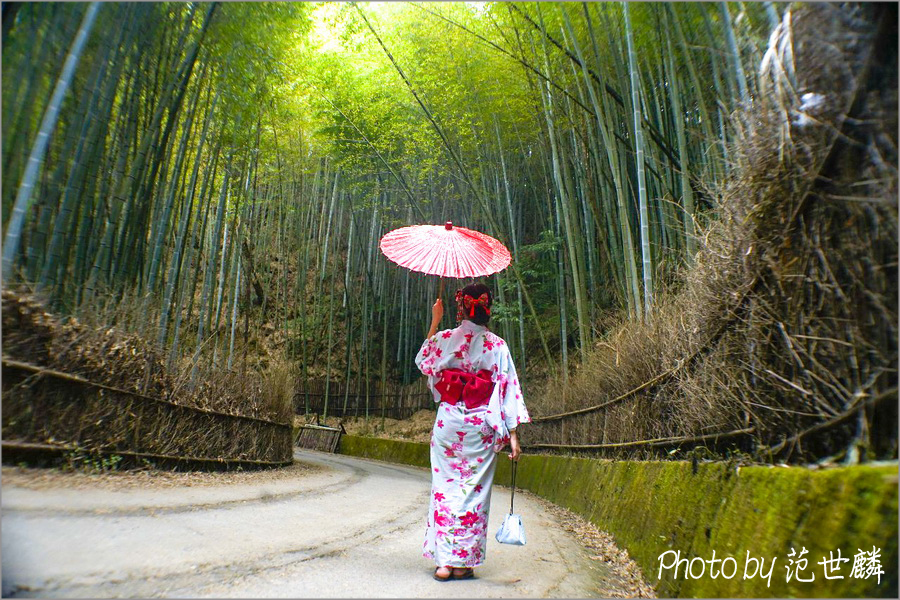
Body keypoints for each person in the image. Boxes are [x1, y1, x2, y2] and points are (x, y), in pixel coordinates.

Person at [414, 282, 530, 582]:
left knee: (444, 488)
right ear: (487, 308)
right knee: (473, 494)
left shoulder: (445, 338)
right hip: (481, 425)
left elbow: (424, 362)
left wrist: (435, 320)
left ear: (460, 307)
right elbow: (507, 388)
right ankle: (463, 562)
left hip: (449, 423)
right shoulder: (497, 345)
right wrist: (513, 435)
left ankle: (443, 562)